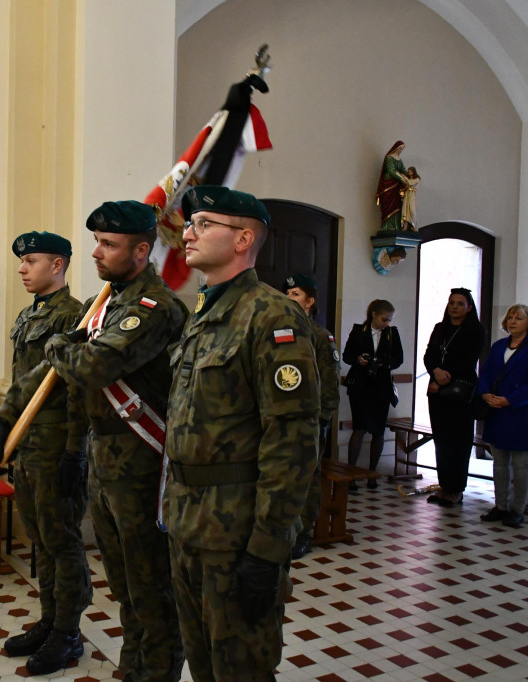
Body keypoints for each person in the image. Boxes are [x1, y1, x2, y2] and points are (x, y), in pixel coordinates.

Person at [0, 200, 187, 681]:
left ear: (141, 251)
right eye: (97, 241)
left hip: (139, 459)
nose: (96, 252)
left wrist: (61, 343)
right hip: (107, 457)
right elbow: (49, 372)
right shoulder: (110, 304)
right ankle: (133, 664)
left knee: (149, 583)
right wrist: (4, 418)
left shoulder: (152, 306)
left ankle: (152, 668)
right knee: (123, 580)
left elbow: (94, 367)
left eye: (109, 244)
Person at [162, 186, 320, 682]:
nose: (188, 232)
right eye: (191, 223)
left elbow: (292, 441)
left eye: (204, 223)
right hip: (189, 523)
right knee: (204, 664)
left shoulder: (272, 316)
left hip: (236, 531)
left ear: (243, 238)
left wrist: (269, 546)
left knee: (241, 670)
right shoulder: (203, 313)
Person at [0, 231, 92, 676]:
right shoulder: (31, 315)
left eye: (31, 260)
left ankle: (68, 631)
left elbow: (79, 390)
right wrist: (3, 430)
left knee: (62, 541)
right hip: (27, 446)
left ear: (58, 264)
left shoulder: (77, 316)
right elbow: (21, 380)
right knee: (40, 541)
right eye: (22, 261)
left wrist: (75, 452)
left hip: (55, 446)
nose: (22, 269)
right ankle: (50, 620)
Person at [477, 305, 528, 528]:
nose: (513, 321)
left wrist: (510, 400)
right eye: (510, 317)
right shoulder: (499, 346)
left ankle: (518, 509)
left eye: (519, 318)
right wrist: (485, 393)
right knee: (499, 462)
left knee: (520, 464)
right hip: (497, 411)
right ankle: (500, 505)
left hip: (522, 413)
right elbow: (486, 373)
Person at [283, 273, 340, 558]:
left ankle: (303, 532)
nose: (289, 299)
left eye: (295, 295)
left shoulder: (319, 337)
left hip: (311, 421)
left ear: (310, 302)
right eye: (287, 294)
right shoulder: (280, 333)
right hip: (282, 421)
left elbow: (329, 384)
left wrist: (322, 421)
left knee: (307, 477)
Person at [424, 288, 486, 508]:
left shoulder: (475, 330)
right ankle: (444, 485)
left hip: (460, 390)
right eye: (452, 303)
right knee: (442, 440)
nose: (455, 307)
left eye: (460, 303)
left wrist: (442, 376)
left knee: (458, 442)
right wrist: (435, 371)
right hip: (438, 392)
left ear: (469, 307)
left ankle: (456, 489)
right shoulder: (440, 328)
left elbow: (468, 360)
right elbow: (429, 355)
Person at [342, 299, 404, 491]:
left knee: (378, 430)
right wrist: (358, 359)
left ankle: (372, 473)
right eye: (385, 319)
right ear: (374, 315)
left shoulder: (392, 334)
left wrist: (385, 363)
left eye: (390, 320)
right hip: (360, 384)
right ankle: (351, 475)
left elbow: (398, 359)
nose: (387, 324)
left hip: (381, 386)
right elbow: (346, 355)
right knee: (359, 428)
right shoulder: (358, 331)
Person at [375, 140, 413, 233]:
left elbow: (403, 170)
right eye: (400, 148)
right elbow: (391, 171)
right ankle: (387, 225)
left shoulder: (399, 160)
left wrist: (410, 177)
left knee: (397, 205)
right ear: (396, 148)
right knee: (388, 205)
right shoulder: (389, 158)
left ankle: (396, 225)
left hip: (397, 187)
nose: (400, 151)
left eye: (402, 149)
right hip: (389, 185)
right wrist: (402, 179)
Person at [400, 166, 420, 230]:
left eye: (410, 171)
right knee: (405, 211)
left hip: (412, 196)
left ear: (413, 172)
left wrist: (404, 177)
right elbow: (406, 185)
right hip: (407, 195)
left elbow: (411, 183)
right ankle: (405, 226)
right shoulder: (408, 179)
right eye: (408, 172)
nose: (409, 173)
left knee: (412, 210)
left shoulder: (417, 179)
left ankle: (414, 226)